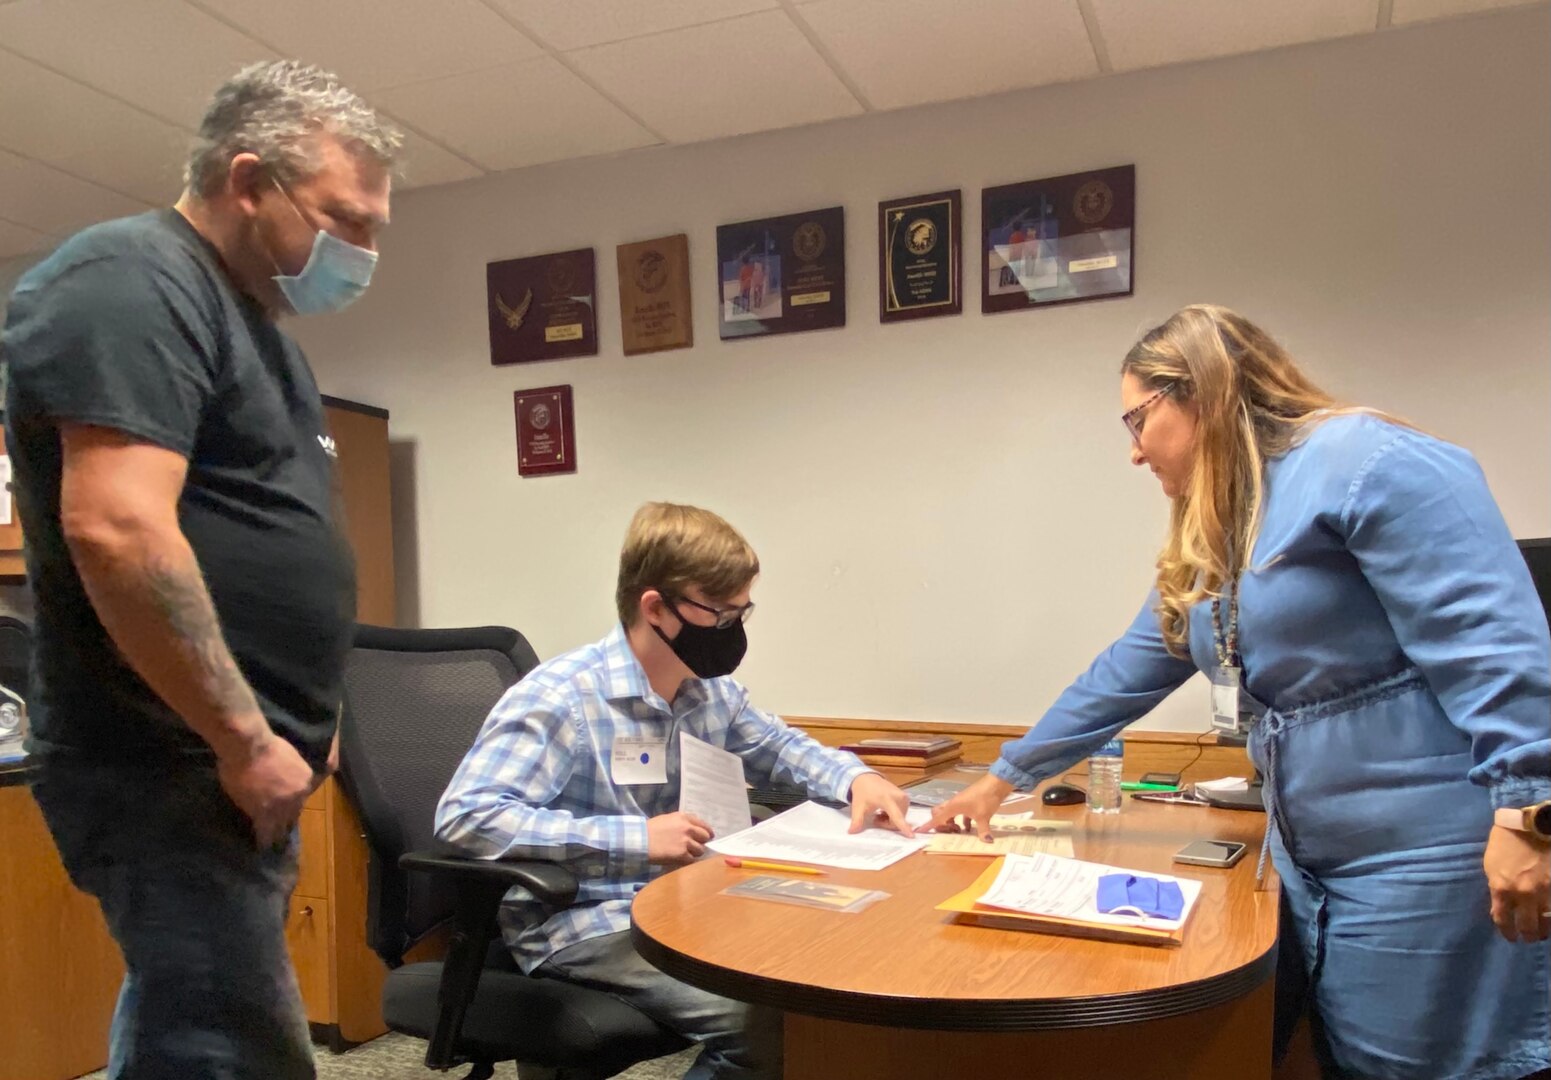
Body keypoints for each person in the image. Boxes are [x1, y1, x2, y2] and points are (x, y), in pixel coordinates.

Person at [931, 305, 1550, 1080]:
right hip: (1311, 860)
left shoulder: (1364, 459)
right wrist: (1001, 778)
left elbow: (1492, 637)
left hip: (1425, 854)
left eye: (1135, 420)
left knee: (1423, 1065)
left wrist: (1529, 811)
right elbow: (1126, 670)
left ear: (1196, 393)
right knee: (1345, 1061)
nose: (1132, 453)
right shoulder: (1219, 528)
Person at [2, 61, 400, 1079]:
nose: (361, 251)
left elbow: (267, 539)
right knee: (237, 1050)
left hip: (237, 763)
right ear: (249, 179)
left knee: (189, 1024)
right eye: (345, 220)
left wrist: (312, 718)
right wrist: (242, 736)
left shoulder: (256, 329)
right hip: (168, 761)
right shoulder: (128, 282)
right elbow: (119, 529)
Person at [435, 502, 914, 1080]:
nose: (733, 630)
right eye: (720, 614)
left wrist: (856, 778)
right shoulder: (564, 698)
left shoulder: (706, 691)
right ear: (655, 607)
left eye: (743, 612)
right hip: (590, 919)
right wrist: (634, 838)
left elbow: (782, 749)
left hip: (690, 905)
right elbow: (467, 818)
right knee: (769, 1028)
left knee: (823, 981)